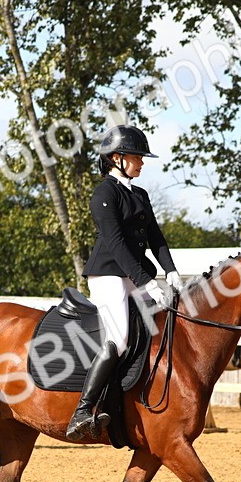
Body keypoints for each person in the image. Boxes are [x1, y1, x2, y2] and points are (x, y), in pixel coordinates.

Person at [66, 124, 181, 441]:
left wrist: (170, 270)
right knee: (119, 338)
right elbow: (116, 243)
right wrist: (147, 281)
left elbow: (155, 236)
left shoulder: (139, 194)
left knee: (160, 326)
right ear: (116, 158)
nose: (141, 162)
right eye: (137, 157)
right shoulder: (105, 193)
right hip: (108, 274)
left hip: (134, 274)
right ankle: (83, 410)